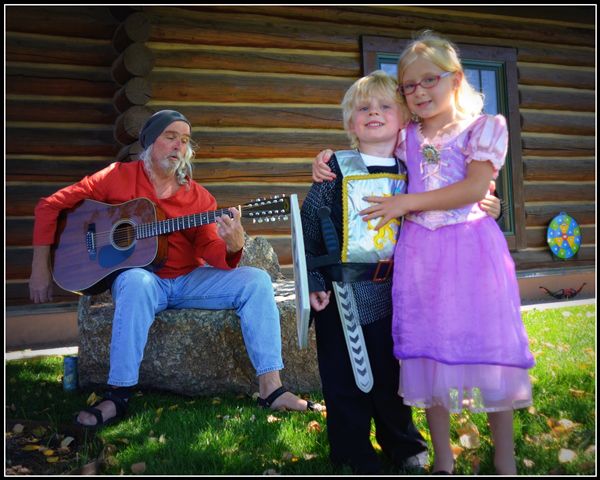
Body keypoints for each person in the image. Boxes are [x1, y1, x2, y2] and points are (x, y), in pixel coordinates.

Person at [29, 109, 322, 428]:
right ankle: (118, 395)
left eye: (184, 140)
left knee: (256, 280)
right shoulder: (117, 177)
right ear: (149, 143)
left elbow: (210, 251)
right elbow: (50, 205)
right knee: (135, 280)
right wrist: (39, 266)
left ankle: (271, 388)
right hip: (146, 284)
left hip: (189, 281)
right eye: (170, 137)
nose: (178, 146)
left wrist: (233, 245)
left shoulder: (198, 197)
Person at [358, 32, 534, 475]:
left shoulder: (483, 128)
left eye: (428, 81)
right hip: (420, 257)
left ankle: (505, 460)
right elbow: (368, 151)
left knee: (487, 347)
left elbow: (476, 188)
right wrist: (324, 159)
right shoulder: (405, 137)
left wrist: (406, 204)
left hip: (471, 251)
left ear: (455, 79)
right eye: (408, 87)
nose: (418, 92)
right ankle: (442, 460)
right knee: (427, 350)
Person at [301, 70, 428, 474]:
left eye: (385, 106)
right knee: (344, 376)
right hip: (342, 291)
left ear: (403, 118)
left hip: (399, 290)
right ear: (350, 122)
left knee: (393, 374)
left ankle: (402, 442)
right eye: (363, 108)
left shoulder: (416, 169)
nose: (374, 112)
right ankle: (351, 450)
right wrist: (316, 281)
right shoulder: (335, 168)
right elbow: (309, 227)